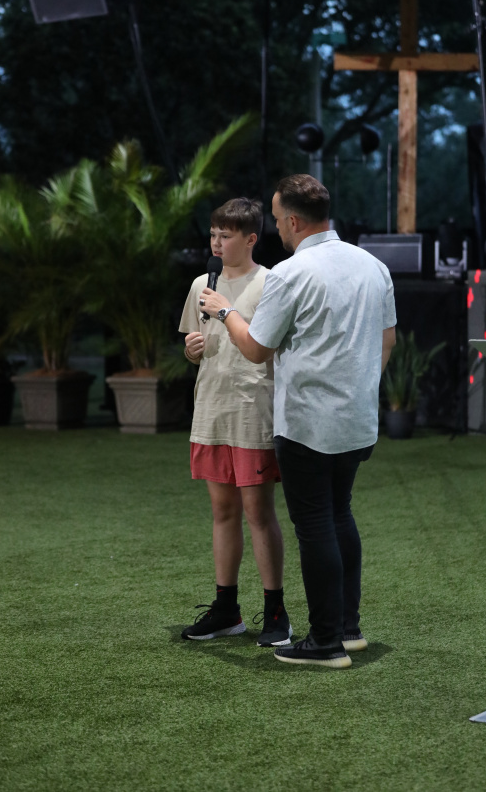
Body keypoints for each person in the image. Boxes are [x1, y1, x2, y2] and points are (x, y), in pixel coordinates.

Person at [201, 175, 396, 668]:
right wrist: (359, 388)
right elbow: (388, 339)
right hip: (357, 419)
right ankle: (347, 630)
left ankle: (325, 643)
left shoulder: (291, 272)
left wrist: (225, 312)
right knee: (340, 514)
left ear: (291, 221)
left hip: (308, 422)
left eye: (276, 220)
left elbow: (255, 348)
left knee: (315, 525)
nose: (277, 231)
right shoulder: (373, 265)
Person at [179, 197, 292, 647]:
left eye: (225, 236)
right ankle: (226, 609)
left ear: (250, 239)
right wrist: (191, 350)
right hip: (211, 408)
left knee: (258, 513)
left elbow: (266, 348)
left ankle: (276, 611)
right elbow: (197, 343)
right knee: (222, 511)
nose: (216, 243)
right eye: (213, 234)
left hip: (252, 409)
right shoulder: (200, 284)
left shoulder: (270, 282)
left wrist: (228, 310)